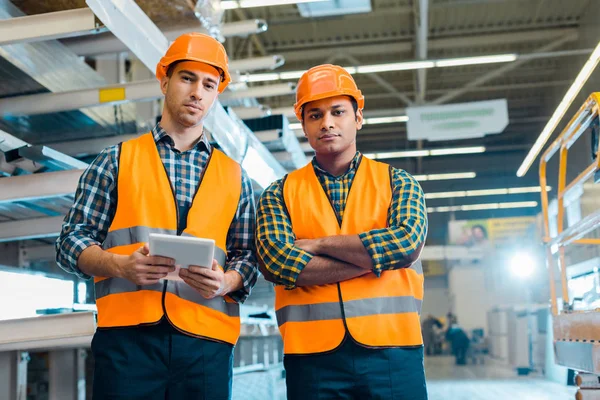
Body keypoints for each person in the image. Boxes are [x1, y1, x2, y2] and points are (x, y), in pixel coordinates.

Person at [56, 33, 258, 399]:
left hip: (206, 344)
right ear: (164, 81)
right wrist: (120, 266)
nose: (197, 92)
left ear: (216, 95)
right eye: (187, 78)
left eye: (209, 84)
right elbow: (70, 241)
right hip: (127, 342)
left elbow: (248, 256)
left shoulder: (234, 175)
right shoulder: (116, 160)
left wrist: (226, 282)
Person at [256, 64, 428, 400]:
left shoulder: (398, 182)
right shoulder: (278, 193)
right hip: (312, 358)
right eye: (315, 115)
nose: (327, 123)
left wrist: (318, 244)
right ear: (304, 125)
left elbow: (406, 245)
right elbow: (277, 263)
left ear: (358, 118)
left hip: (393, 351)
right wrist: (376, 259)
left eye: (338, 112)